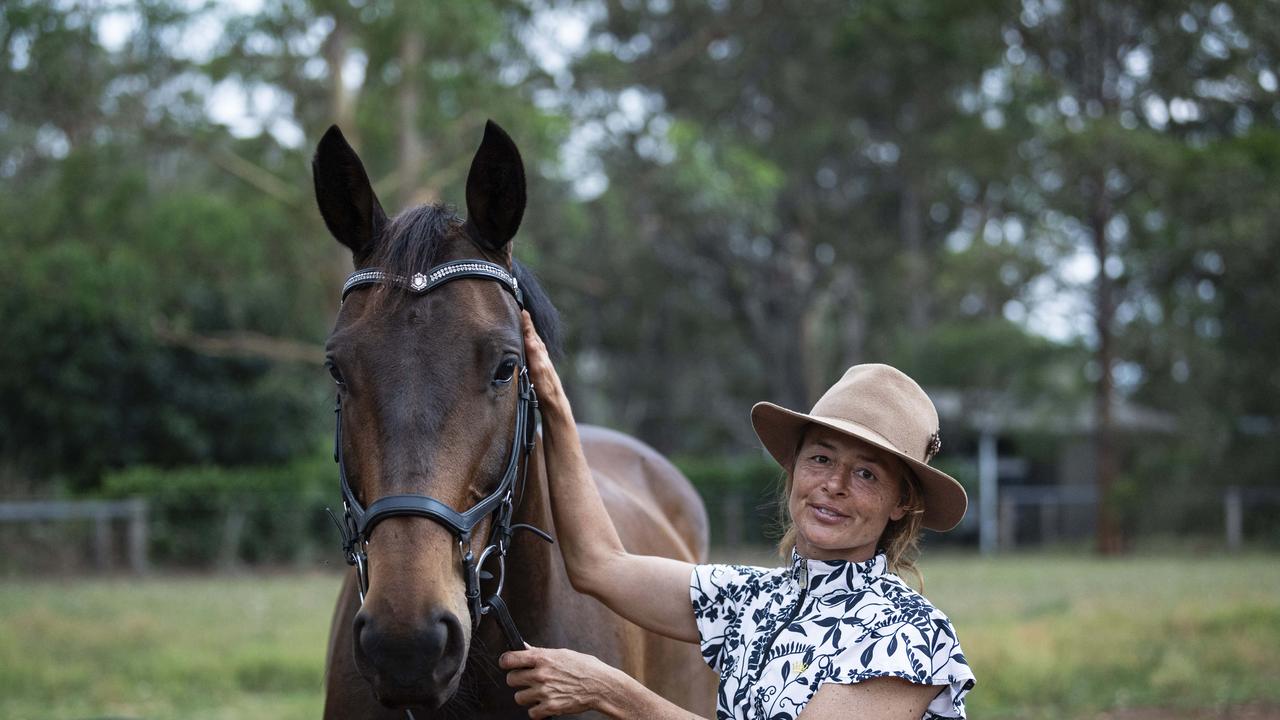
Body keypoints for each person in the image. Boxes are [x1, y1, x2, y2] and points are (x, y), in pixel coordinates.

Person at [500, 312, 976, 719]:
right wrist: (556, 409)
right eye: (821, 459)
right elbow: (597, 563)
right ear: (793, 469)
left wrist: (614, 693)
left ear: (900, 504)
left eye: (867, 474)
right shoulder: (748, 600)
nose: (834, 484)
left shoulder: (912, 634)